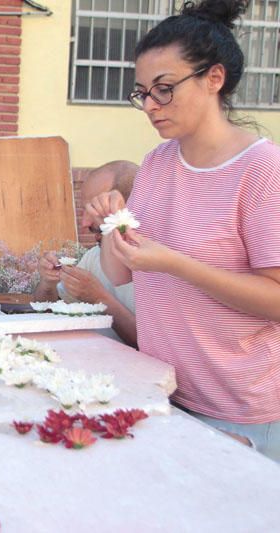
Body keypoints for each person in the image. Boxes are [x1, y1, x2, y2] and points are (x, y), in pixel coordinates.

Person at [86, 0, 280, 461]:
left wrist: (177, 265)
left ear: (214, 79)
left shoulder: (261, 170)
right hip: (164, 389)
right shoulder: (157, 163)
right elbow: (121, 272)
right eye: (142, 93)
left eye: (165, 89)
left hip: (238, 407)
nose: (150, 106)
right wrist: (114, 220)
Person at [33, 160, 139, 347]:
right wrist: (48, 283)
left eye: (95, 208)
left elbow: (151, 344)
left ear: (125, 205)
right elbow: (49, 312)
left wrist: (99, 297)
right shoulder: (93, 256)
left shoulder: (158, 265)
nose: (83, 223)